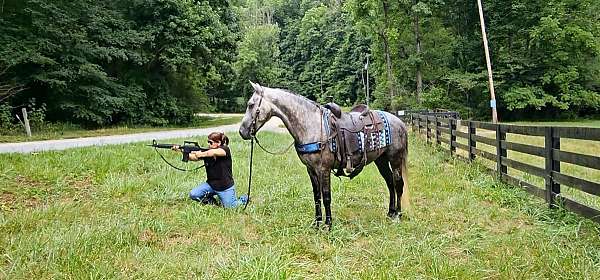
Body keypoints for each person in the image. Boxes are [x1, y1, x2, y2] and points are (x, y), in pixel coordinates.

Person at [173, 132, 248, 208]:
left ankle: (244, 199)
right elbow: (193, 158)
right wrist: (181, 150)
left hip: (224, 186)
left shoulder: (225, 149)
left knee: (231, 207)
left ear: (218, 143)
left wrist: (201, 153)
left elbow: (213, 153)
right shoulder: (207, 152)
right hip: (211, 185)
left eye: (211, 142)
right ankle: (211, 201)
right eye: (208, 142)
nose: (209, 144)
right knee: (194, 194)